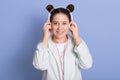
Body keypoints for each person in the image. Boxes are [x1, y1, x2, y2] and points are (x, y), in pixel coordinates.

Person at [33, 4, 93, 80]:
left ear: (70, 24)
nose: (60, 27)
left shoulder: (77, 43)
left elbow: (87, 64)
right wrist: (45, 37)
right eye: (55, 23)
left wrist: (77, 36)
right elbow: (39, 65)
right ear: (49, 24)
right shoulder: (44, 44)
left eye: (64, 23)